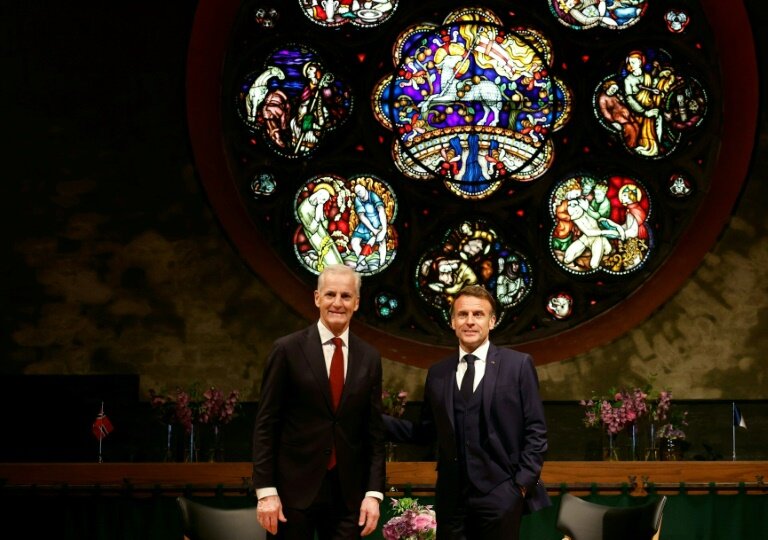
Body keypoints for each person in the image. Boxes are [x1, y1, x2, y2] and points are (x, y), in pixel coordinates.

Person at [384, 285, 550, 540]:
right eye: (463, 314)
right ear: (452, 322)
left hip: (501, 494)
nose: (470, 321)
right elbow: (427, 432)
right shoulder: (438, 373)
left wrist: (520, 485)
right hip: (452, 499)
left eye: (478, 314)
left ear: (492, 321)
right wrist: (373, 420)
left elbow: (536, 429)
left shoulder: (517, 365)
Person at [252, 264, 385, 539]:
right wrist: (266, 491)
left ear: (356, 302)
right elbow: (266, 424)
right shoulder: (287, 350)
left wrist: (373, 493)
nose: (337, 303)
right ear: (317, 298)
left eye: (346, 296)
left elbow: (373, 432)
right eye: (330, 294)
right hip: (292, 493)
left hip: (349, 497)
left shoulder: (370, 357)